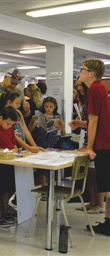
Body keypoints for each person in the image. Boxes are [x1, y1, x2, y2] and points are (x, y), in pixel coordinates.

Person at [78, 59, 110, 236]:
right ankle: (108, 222)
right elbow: (95, 120)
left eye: (82, 69)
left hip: (103, 145)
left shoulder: (94, 90)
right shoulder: (99, 89)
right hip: (106, 142)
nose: (80, 72)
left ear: (90, 73)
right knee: (107, 186)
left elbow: (95, 121)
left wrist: (89, 147)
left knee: (107, 189)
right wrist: (82, 123)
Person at [0, 106, 18, 228]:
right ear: (1, 118)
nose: (9, 126)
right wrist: (1, 150)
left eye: (11, 124)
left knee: (8, 188)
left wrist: (14, 149)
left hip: (9, 161)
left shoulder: (10, 129)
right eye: (7, 123)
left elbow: (13, 144)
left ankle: (5, 209)